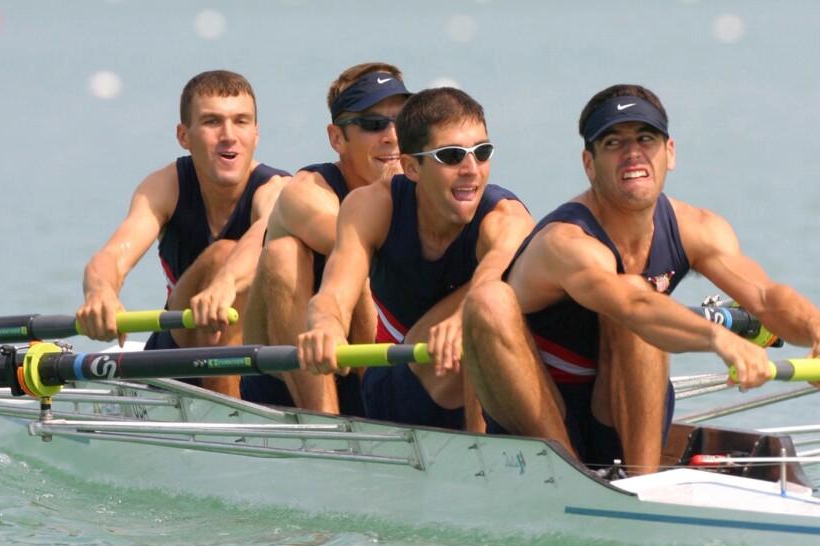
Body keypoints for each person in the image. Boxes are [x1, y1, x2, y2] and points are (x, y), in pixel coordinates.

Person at [462, 83, 820, 475]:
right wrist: (717, 338)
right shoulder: (566, 241)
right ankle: (567, 476)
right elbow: (634, 305)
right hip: (533, 423)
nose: (633, 153)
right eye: (613, 142)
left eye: (646, 139)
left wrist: (815, 330)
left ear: (669, 153)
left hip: (617, 412)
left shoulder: (698, 228)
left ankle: (643, 483)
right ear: (589, 163)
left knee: (640, 296)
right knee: (490, 300)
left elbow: (766, 299)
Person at [297, 87, 535, 431]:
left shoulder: (506, 218)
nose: (472, 169)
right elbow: (334, 294)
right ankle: (481, 459)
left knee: (487, 309)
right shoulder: (373, 207)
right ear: (411, 167)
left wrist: (462, 318)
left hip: (484, 385)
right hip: (395, 389)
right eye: (452, 156)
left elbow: (494, 273)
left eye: (481, 153)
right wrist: (325, 327)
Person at [76, 70, 290, 396]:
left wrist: (225, 283)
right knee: (221, 255)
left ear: (256, 134)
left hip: (259, 361)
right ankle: (227, 421)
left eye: (241, 121)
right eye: (212, 122)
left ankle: (232, 417)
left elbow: (263, 232)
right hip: (177, 355)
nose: (229, 135)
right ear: (183, 135)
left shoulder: (277, 189)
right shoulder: (164, 187)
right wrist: (100, 293)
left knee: (226, 256)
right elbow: (113, 256)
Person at [240, 62, 410, 415]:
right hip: (286, 381)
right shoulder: (306, 192)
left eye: (403, 121)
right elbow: (352, 246)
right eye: (373, 124)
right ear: (337, 138)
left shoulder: (436, 183)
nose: (392, 135)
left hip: (381, 373)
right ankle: (326, 426)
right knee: (301, 252)